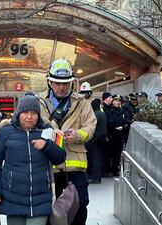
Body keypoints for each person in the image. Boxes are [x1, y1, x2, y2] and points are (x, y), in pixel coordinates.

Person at [0, 92, 66, 225]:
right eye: (25, 112)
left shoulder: (47, 130)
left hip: (40, 198)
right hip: (13, 198)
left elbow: (60, 157)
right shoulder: (5, 132)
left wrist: (46, 145)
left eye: (34, 113)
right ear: (18, 113)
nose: (29, 117)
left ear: (38, 115)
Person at [38, 59, 97, 225]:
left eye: (65, 83)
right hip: (47, 165)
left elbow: (91, 126)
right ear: (49, 81)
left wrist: (78, 135)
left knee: (80, 204)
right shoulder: (38, 101)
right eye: (57, 83)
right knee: (49, 208)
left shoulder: (82, 102)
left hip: (75, 165)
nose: (62, 87)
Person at [86, 98, 108, 184]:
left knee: (94, 159)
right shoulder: (102, 114)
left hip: (94, 140)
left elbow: (92, 128)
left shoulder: (94, 115)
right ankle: (97, 176)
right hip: (101, 139)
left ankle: (95, 177)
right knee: (98, 158)